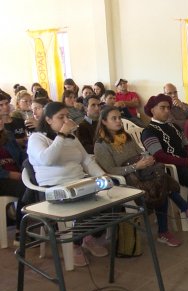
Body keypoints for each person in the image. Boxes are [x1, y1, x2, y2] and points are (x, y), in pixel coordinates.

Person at [94, 107, 188, 246]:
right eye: (114, 118)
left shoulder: (126, 137)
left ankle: (174, 222)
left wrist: (147, 158)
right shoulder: (101, 145)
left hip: (141, 172)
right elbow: (110, 171)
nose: (119, 121)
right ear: (104, 122)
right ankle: (183, 214)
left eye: (119, 117)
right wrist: (135, 167)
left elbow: (140, 153)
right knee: (161, 185)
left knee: (160, 180)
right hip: (124, 179)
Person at [27, 102, 109, 267]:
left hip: (79, 182)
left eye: (67, 116)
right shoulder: (37, 138)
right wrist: (61, 136)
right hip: (53, 188)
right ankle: (75, 243)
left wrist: (103, 176)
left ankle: (88, 237)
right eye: (60, 117)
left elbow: (86, 160)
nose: (66, 120)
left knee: (109, 201)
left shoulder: (71, 137)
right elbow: (47, 159)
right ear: (49, 120)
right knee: (82, 203)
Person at [0, 111, 27, 245]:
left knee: (38, 183)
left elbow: (22, 156)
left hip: (18, 175)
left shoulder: (8, 137)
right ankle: (20, 232)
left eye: (0, 118)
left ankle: (49, 224)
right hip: (2, 179)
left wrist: (26, 168)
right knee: (25, 188)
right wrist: (10, 174)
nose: (0, 121)